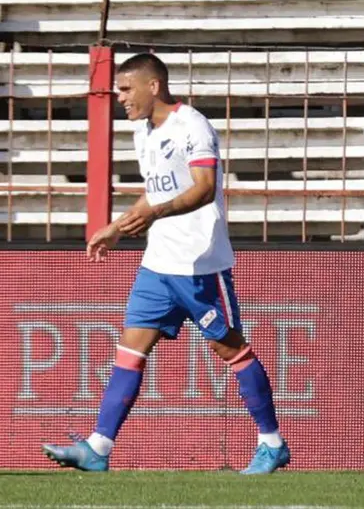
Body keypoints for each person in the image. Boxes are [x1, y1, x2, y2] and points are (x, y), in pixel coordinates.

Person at [41, 53, 291, 475]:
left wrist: (155, 214)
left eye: (125, 89)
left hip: (198, 262)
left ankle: (272, 443)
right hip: (158, 262)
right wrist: (118, 226)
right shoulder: (144, 132)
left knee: (228, 347)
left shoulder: (192, 125)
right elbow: (155, 190)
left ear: (152, 86)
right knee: (129, 349)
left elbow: (205, 188)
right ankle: (98, 447)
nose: (120, 98)